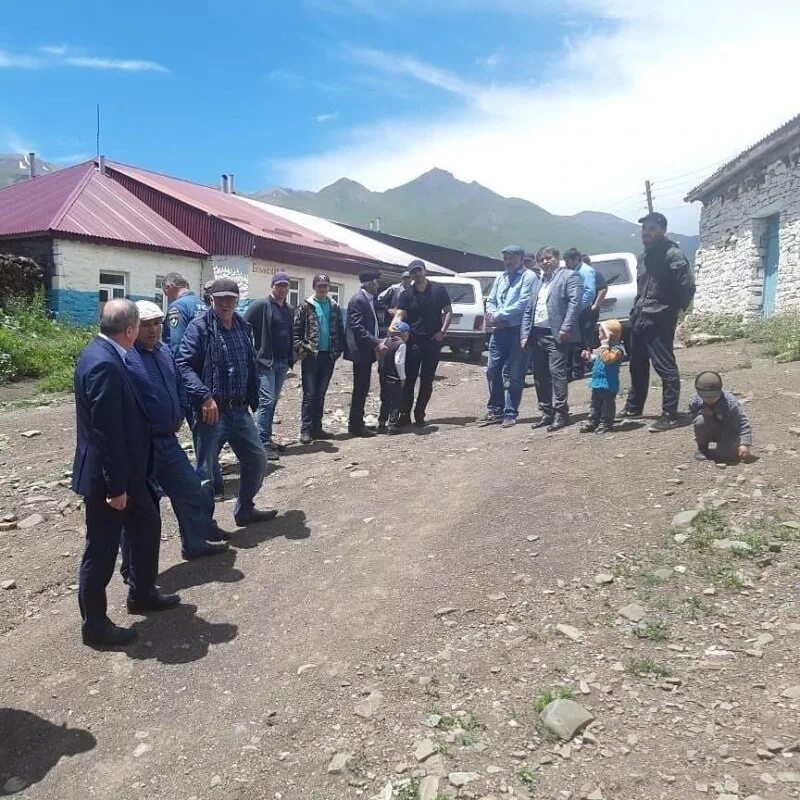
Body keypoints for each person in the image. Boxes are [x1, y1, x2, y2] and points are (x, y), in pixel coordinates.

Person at [72, 299, 179, 648]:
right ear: (131, 329)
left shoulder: (109, 354)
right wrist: (116, 487)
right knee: (101, 552)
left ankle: (142, 592)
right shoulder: (104, 363)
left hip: (129, 471)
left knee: (147, 524)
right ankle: (95, 627)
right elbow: (106, 432)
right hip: (109, 478)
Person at [125, 300, 229, 559]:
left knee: (191, 487)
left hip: (167, 441)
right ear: (132, 328)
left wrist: (180, 411)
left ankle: (193, 544)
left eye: (157, 324)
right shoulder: (127, 357)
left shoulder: (163, 351)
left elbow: (179, 382)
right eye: (146, 325)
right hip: (140, 446)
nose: (153, 330)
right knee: (144, 508)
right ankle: (134, 569)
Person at [177, 278, 275, 527]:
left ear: (237, 300)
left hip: (240, 409)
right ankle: (204, 527)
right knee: (206, 473)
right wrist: (204, 396)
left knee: (257, 459)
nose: (224, 303)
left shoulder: (243, 326)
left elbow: (249, 363)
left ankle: (245, 509)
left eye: (229, 299)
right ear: (211, 299)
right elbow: (183, 364)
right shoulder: (199, 327)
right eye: (219, 298)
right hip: (212, 412)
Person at [620, 211, 695, 432]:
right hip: (640, 316)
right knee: (637, 365)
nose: (647, 232)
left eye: (652, 228)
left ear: (662, 230)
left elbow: (687, 285)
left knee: (665, 367)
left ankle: (670, 414)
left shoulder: (672, 254)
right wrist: (636, 309)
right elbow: (641, 288)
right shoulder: (643, 257)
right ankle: (634, 407)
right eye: (645, 228)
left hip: (659, 318)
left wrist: (670, 310)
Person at [520, 246, 583, 431]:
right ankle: (546, 413)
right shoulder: (538, 282)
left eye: (549, 258)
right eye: (542, 260)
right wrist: (524, 334)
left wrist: (566, 327)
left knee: (557, 374)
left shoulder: (569, 276)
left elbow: (575, 303)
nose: (545, 262)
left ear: (557, 259)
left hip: (556, 335)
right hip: (537, 335)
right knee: (539, 375)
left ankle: (561, 413)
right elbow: (529, 309)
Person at [392, 260, 453, 428]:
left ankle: (420, 413)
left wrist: (443, 331)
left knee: (427, 380)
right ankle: (405, 415)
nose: (416, 274)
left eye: (419, 270)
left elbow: (448, 312)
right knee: (409, 379)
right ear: (410, 275)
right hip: (413, 342)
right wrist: (395, 325)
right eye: (413, 272)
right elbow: (400, 314)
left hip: (432, 342)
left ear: (424, 271)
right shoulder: (406, 294)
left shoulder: (438, 290)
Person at [482, 244, 536, 427]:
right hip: (499, 330)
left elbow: (523, 304)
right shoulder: (501, 277)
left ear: (521, 259)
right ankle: (496, 409)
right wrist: (492, 315)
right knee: (492, 370)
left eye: (511, 258)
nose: (508, 261)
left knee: (515, 374)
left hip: (517, 330)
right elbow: (491, 300)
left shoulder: (529, 277)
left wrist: (498, 316)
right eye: (505, 258)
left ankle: (510, 412)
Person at [244, 272, 295, 460]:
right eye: (279, 285)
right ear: (272, 286)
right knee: (265, 401)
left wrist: (293, 356)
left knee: (272, 401)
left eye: (285, 285)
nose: (282, 289)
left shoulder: (289, 309)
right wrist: (251, 352)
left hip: (282, 362)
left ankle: (266, 437)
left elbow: (290, 333)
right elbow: (243, 325)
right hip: (265, 361)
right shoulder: (261, 305)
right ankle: (261, 443)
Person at [293, 273, 345, 444]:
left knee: (321, 394)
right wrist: (302, 348)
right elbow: (296, 331)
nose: (323, 289)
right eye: (320, 285)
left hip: (328, 356)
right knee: (309, 393)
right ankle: (306, 430)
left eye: (326, 286)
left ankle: (317, 428)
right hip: (311, 356)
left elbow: (339, 329)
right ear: (314, 287)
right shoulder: (306, 305)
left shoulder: (334, 306)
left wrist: (338, 351)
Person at [345, 269, 387, 437]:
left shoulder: (370, 300)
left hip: (366, 351)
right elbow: (357, 327)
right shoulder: (358, 300)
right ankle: (355, 426)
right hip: (361, 352)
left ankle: (358, 422)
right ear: (368, 282)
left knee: (363, 388)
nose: (378, 284)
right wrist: (376, 343)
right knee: (360, 389)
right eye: (376, 281)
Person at [689, 371, 753, 463]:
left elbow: (743, 421)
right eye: (706, 398)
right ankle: (702, 448)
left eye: (713, 397)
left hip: (729, 430)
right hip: (710, 427)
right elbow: (695, 421)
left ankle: (726, 447)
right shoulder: (695, 401)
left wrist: (744, 444)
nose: (710, 400)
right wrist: (706, 415)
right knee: (700, 421)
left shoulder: (731, 403)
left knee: (727, 457)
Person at [580, 319, 626, 434]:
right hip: (598, 382)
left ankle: (606, 423)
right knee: (595, 403)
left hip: (608, 383)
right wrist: (590, 357)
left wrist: (605, 346)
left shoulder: (617, 349)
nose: (599, 335)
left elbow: (607, 360)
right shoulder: (604, 348)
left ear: (609, 335)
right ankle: (593, 421)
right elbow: (599, 360)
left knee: (607, 404)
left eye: (601, 333)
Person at [564, 248, 597, 381]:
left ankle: (578, 370)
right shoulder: (574, 271)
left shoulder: (586, 271)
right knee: (573, 341)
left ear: (576, 259)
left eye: (568, 261)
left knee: (581, 341)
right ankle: (573, 369)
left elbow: (589, 293)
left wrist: (576, 308)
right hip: (575, 311)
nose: (566, 264)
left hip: (582, 311)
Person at [377, 321, 410, 434]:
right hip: (394, 377)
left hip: (383, 375)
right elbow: (399, 362)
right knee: (395, 402)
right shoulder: (401, 344)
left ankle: (381, 423)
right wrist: (403, 378)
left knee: (385, 400)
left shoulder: (385, 341)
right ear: (404, 334)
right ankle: (392, 426)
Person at [163, 272, 206, 355]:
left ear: (168, 286)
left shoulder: (178, 306)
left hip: (186, 360)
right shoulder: (202, 304)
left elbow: (177, 341)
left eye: (166, 293)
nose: (167, 297)